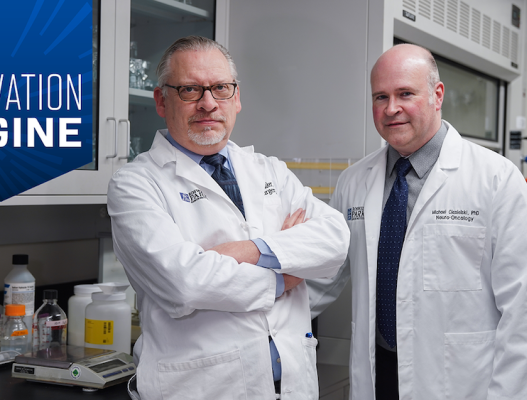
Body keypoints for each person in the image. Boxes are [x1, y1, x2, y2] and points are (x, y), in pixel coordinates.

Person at [107, 36, 350, 400]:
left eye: (220, 88)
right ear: (161, 100)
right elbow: (186, 283)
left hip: (295, 385)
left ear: (236, 98)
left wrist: (247, 251)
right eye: (190, 89)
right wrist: (287, 276)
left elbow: (334, 240)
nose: (208, 103)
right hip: (202, 389)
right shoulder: (135, 184)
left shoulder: (270, 171)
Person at [308, 43, 527, 399]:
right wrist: (253, 309)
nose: (391, 109)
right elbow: (326, 275)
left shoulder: (496, 179)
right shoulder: (354, 181)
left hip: (460, 380)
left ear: (437, 95)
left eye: (405, 93)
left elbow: (524, 309)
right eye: (380, 97)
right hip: (378, 372)